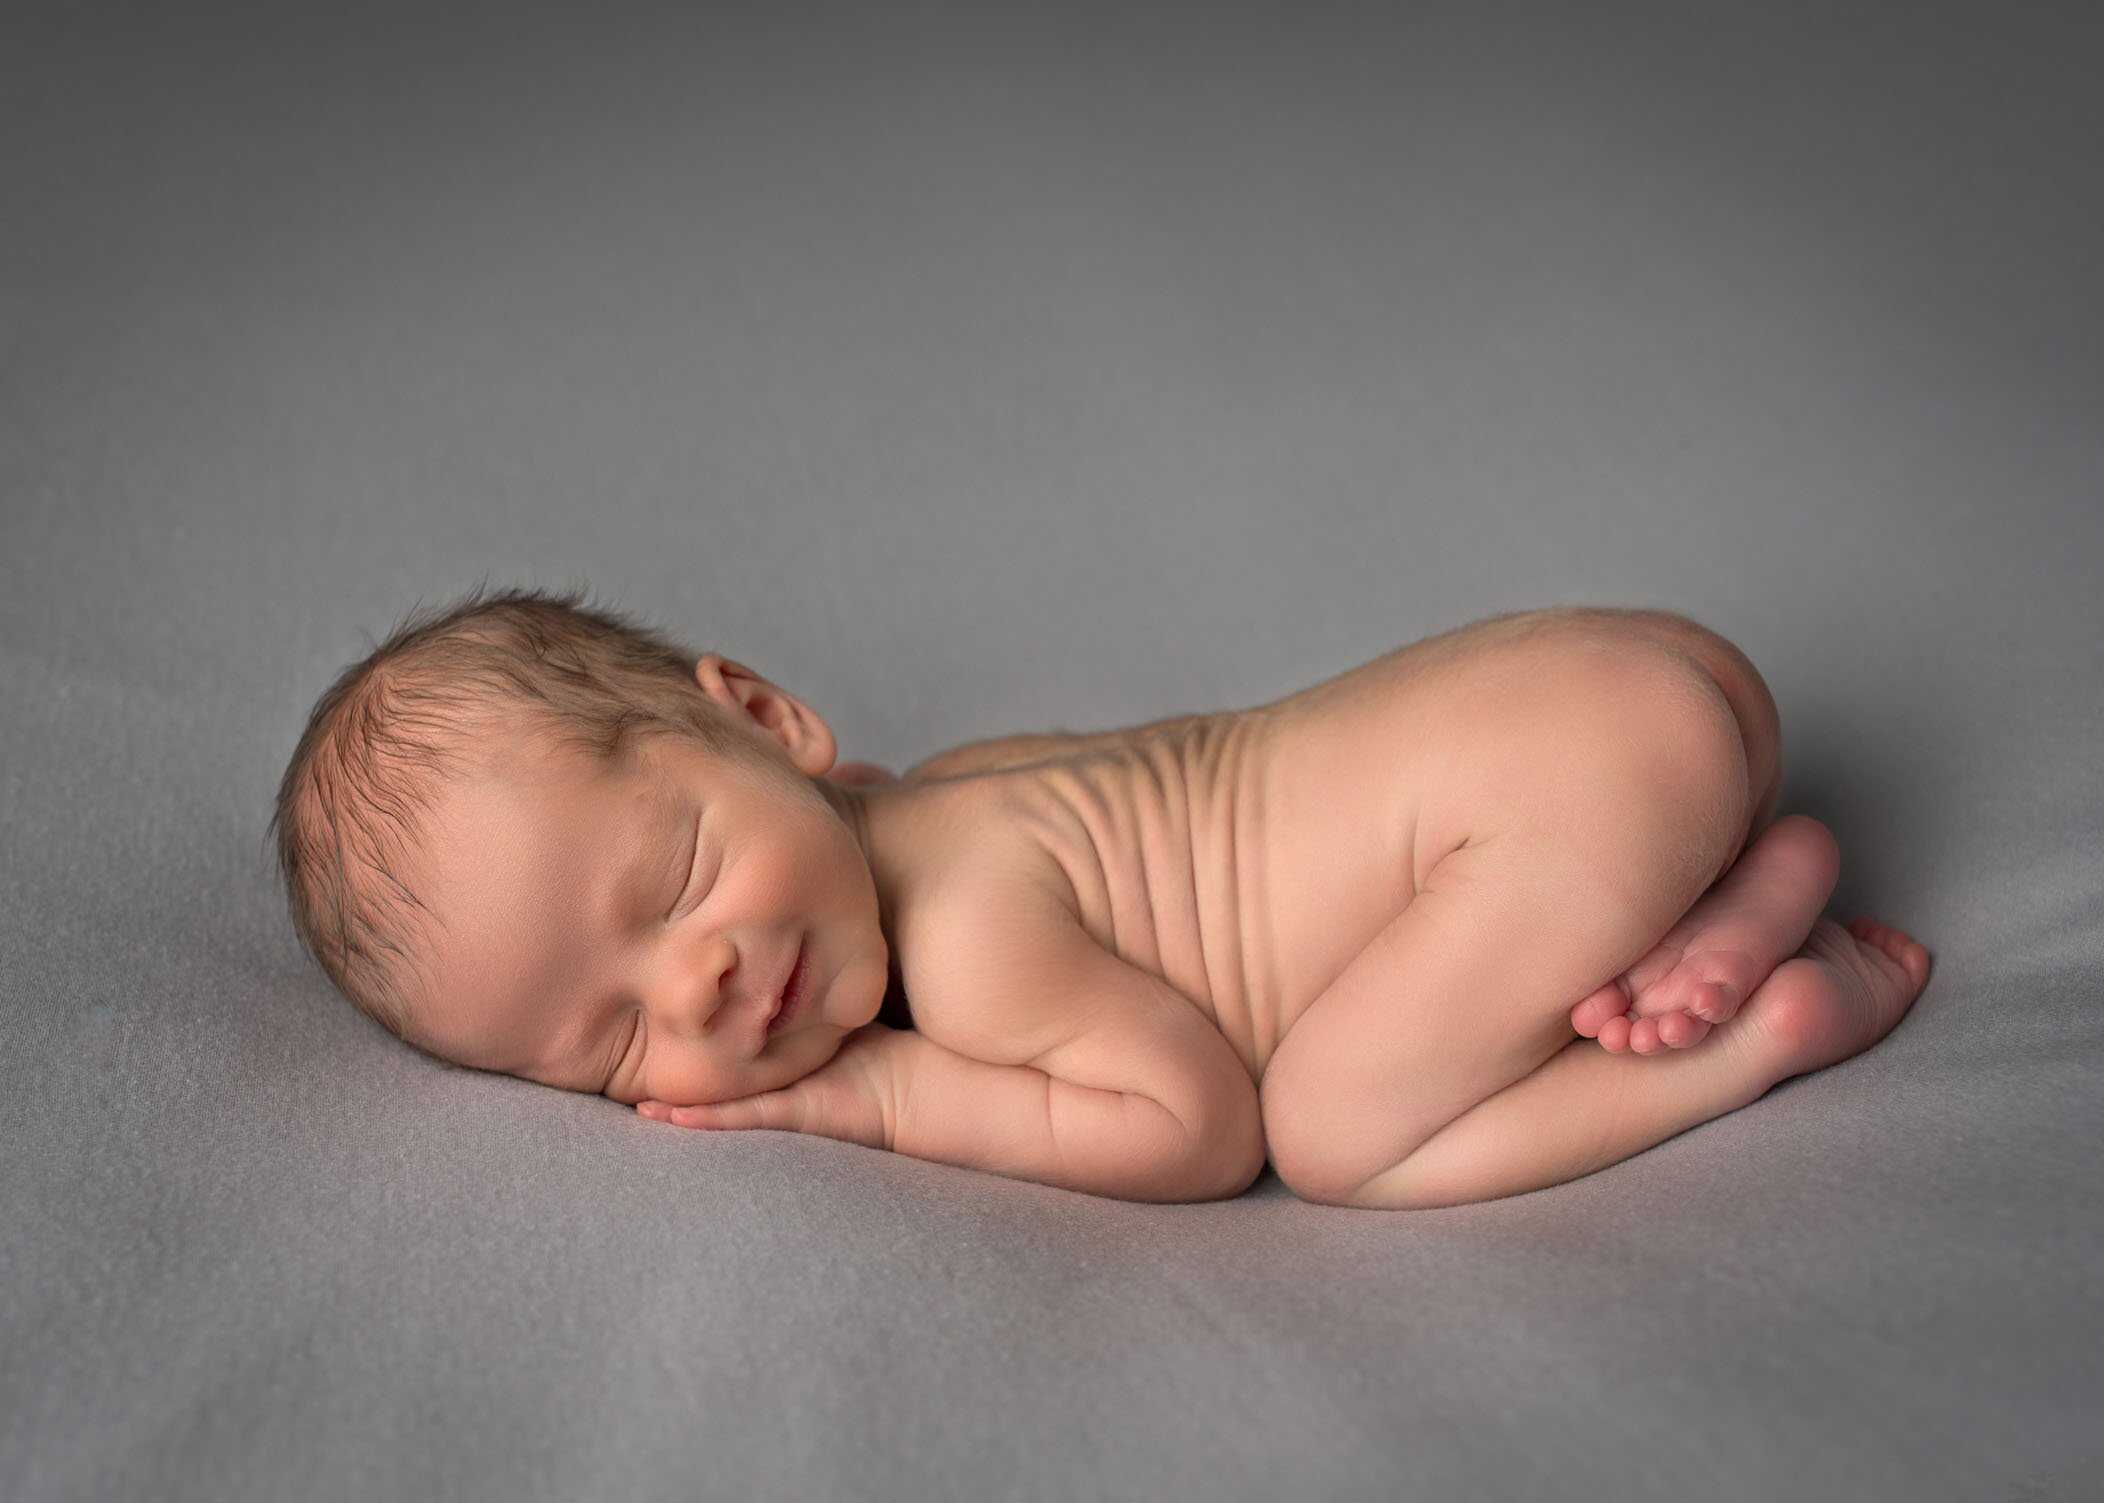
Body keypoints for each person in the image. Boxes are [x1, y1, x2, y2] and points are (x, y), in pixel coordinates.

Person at [270, 586, 1929, 1208]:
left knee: (1341, 1135)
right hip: (1622, 679)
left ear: (770, 720)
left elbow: (1196, 1131)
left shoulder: (981, 945)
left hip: (1562, 788)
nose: (696, 985)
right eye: (609, 1039)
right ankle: (1741, 877)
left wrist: (894, 1095)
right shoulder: (960, 785)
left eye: (679, 882)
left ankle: (1775, 1019)